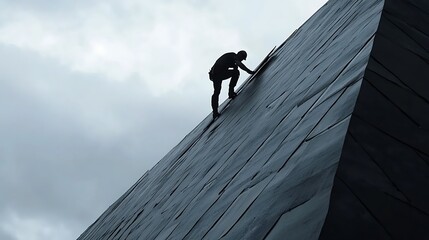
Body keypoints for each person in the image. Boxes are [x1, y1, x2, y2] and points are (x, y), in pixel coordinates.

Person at [208, 50, 255, 118]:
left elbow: (236, 64)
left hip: (216, 74)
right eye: (241, 58)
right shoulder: (233, 56)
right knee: (235, 73)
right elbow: (240, 64)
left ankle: (216, 111)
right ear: (239, 55)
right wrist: (249, 71)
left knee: (217, 91)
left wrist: (235, 67)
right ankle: (230, 93)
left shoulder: (232, 59)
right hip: (216, 74)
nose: (241, 60)